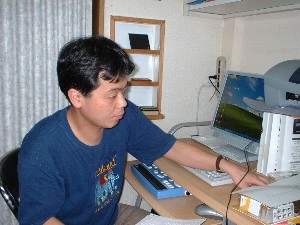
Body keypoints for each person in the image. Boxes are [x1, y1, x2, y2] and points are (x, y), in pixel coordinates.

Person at [18, 36, 270, 225]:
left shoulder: (124, 118)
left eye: (124, 91)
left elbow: (169, 147)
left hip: (112, 218)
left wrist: (229, 167)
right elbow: (40, 219)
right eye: (112, 94)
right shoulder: (42, 148)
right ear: (76, 96)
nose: (123, 102)